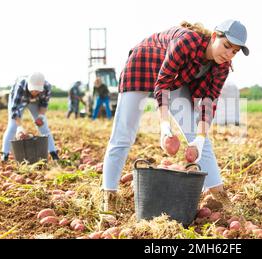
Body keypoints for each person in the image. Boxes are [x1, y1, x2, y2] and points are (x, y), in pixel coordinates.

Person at [99, 19, 249, 225]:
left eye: (235, 51)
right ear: (214, 37)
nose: (228, 54)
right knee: (123, 135)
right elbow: (162, 85)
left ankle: (219, 194)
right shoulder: (186, 42)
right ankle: (109, 197)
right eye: (226, 46)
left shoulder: (222, 66)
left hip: (176, 80)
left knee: (201, 141)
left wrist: (199, 138)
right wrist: (164, 128)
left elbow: (208, 103)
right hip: (143, 64)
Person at [1, 72, 59, 162]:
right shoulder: (20, 86)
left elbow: (44, 104)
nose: (35, 92)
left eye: (37, 91)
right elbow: (15, 110)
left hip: (35, 103)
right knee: (12, 127)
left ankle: (53, 153)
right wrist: (19, 127)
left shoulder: (47, 87)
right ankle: (5, 155)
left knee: (43, 127)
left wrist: (40, 117)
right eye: (33, 90)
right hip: (20, 101)